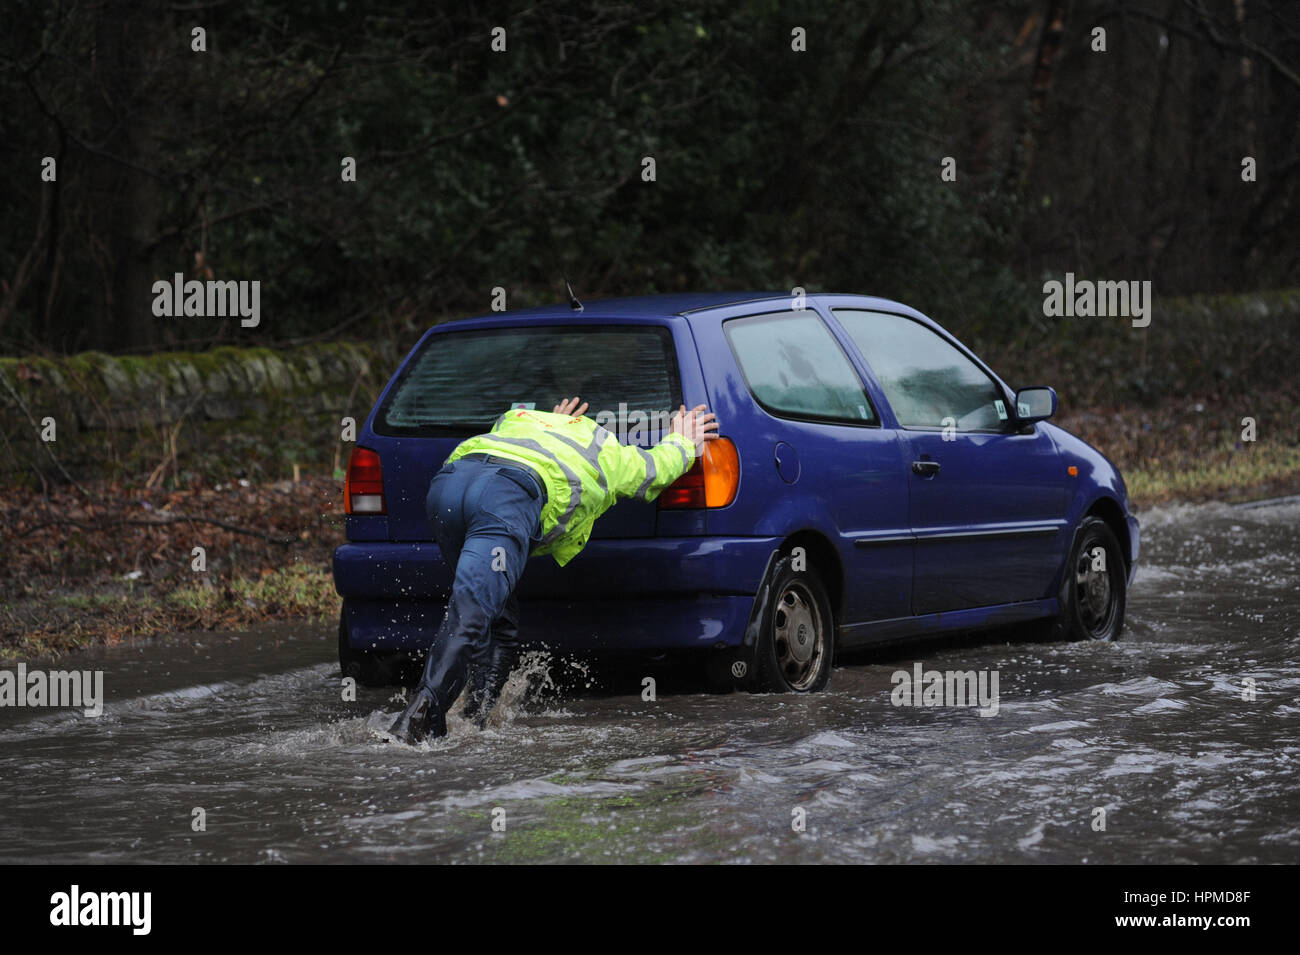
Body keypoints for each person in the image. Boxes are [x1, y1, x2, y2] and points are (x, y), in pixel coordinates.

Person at [390, 396, 720, 743]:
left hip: (448, 487)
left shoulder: (519, 420)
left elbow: (515, 447)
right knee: (472, 614)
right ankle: (417, 718)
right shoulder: (605, 447)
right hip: (505, 499)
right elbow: (654, 471)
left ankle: (474, 721)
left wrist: (552, 422)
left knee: (497, 616)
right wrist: (682, 439)